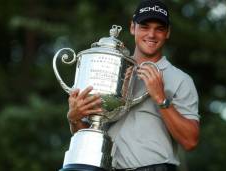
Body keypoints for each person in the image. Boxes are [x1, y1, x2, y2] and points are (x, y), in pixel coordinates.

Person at [66, 0, 200, 170]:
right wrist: (74, 118)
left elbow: (190, 142)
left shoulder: (181, 80)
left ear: (168, 33)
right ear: (132, 28)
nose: (152, 34)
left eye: (159, 28)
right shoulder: (109, 69)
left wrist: (160, 97)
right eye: (144, 26)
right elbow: (87, 133)